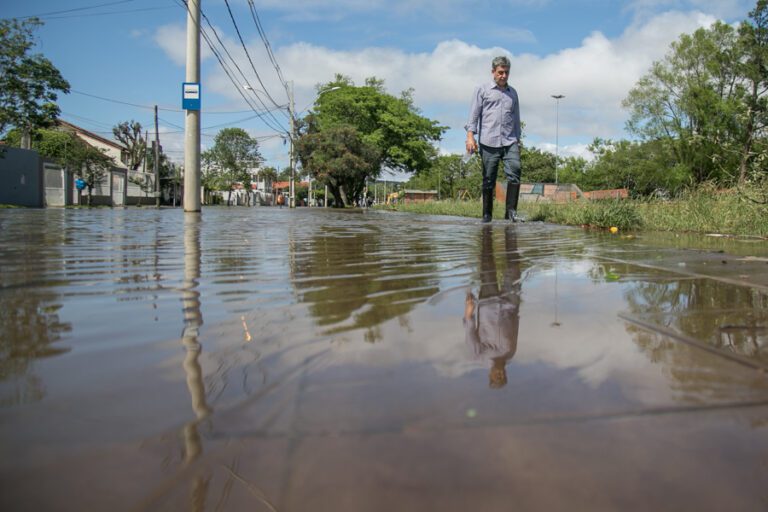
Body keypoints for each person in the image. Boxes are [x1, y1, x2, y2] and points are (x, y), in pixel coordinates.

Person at [465, 56, 522, 223]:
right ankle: (487, 214)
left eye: (506, 72)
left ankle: (511, 213)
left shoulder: (513, 93)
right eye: (500, 72)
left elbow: (516, 118)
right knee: (488, 177)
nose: (503, 76)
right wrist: (470, 136)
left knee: (515, 171)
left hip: (510, 140)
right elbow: (474, 115)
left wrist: (517, 141)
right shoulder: (482, 90)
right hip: (488, 141)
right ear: (493, 72)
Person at [463, 226, 522, 388]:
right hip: (510, 304)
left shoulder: (479, 356)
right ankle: (511, 230)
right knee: (514, 266)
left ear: (490, 375)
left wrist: (469, 312)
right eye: (503, 377)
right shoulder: (510, 354)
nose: (500, 374)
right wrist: (517, 308)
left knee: (487, 263)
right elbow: (515, 329)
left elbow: (469, 332)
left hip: (487, 303)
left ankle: (486, 232)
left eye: (497, 377)